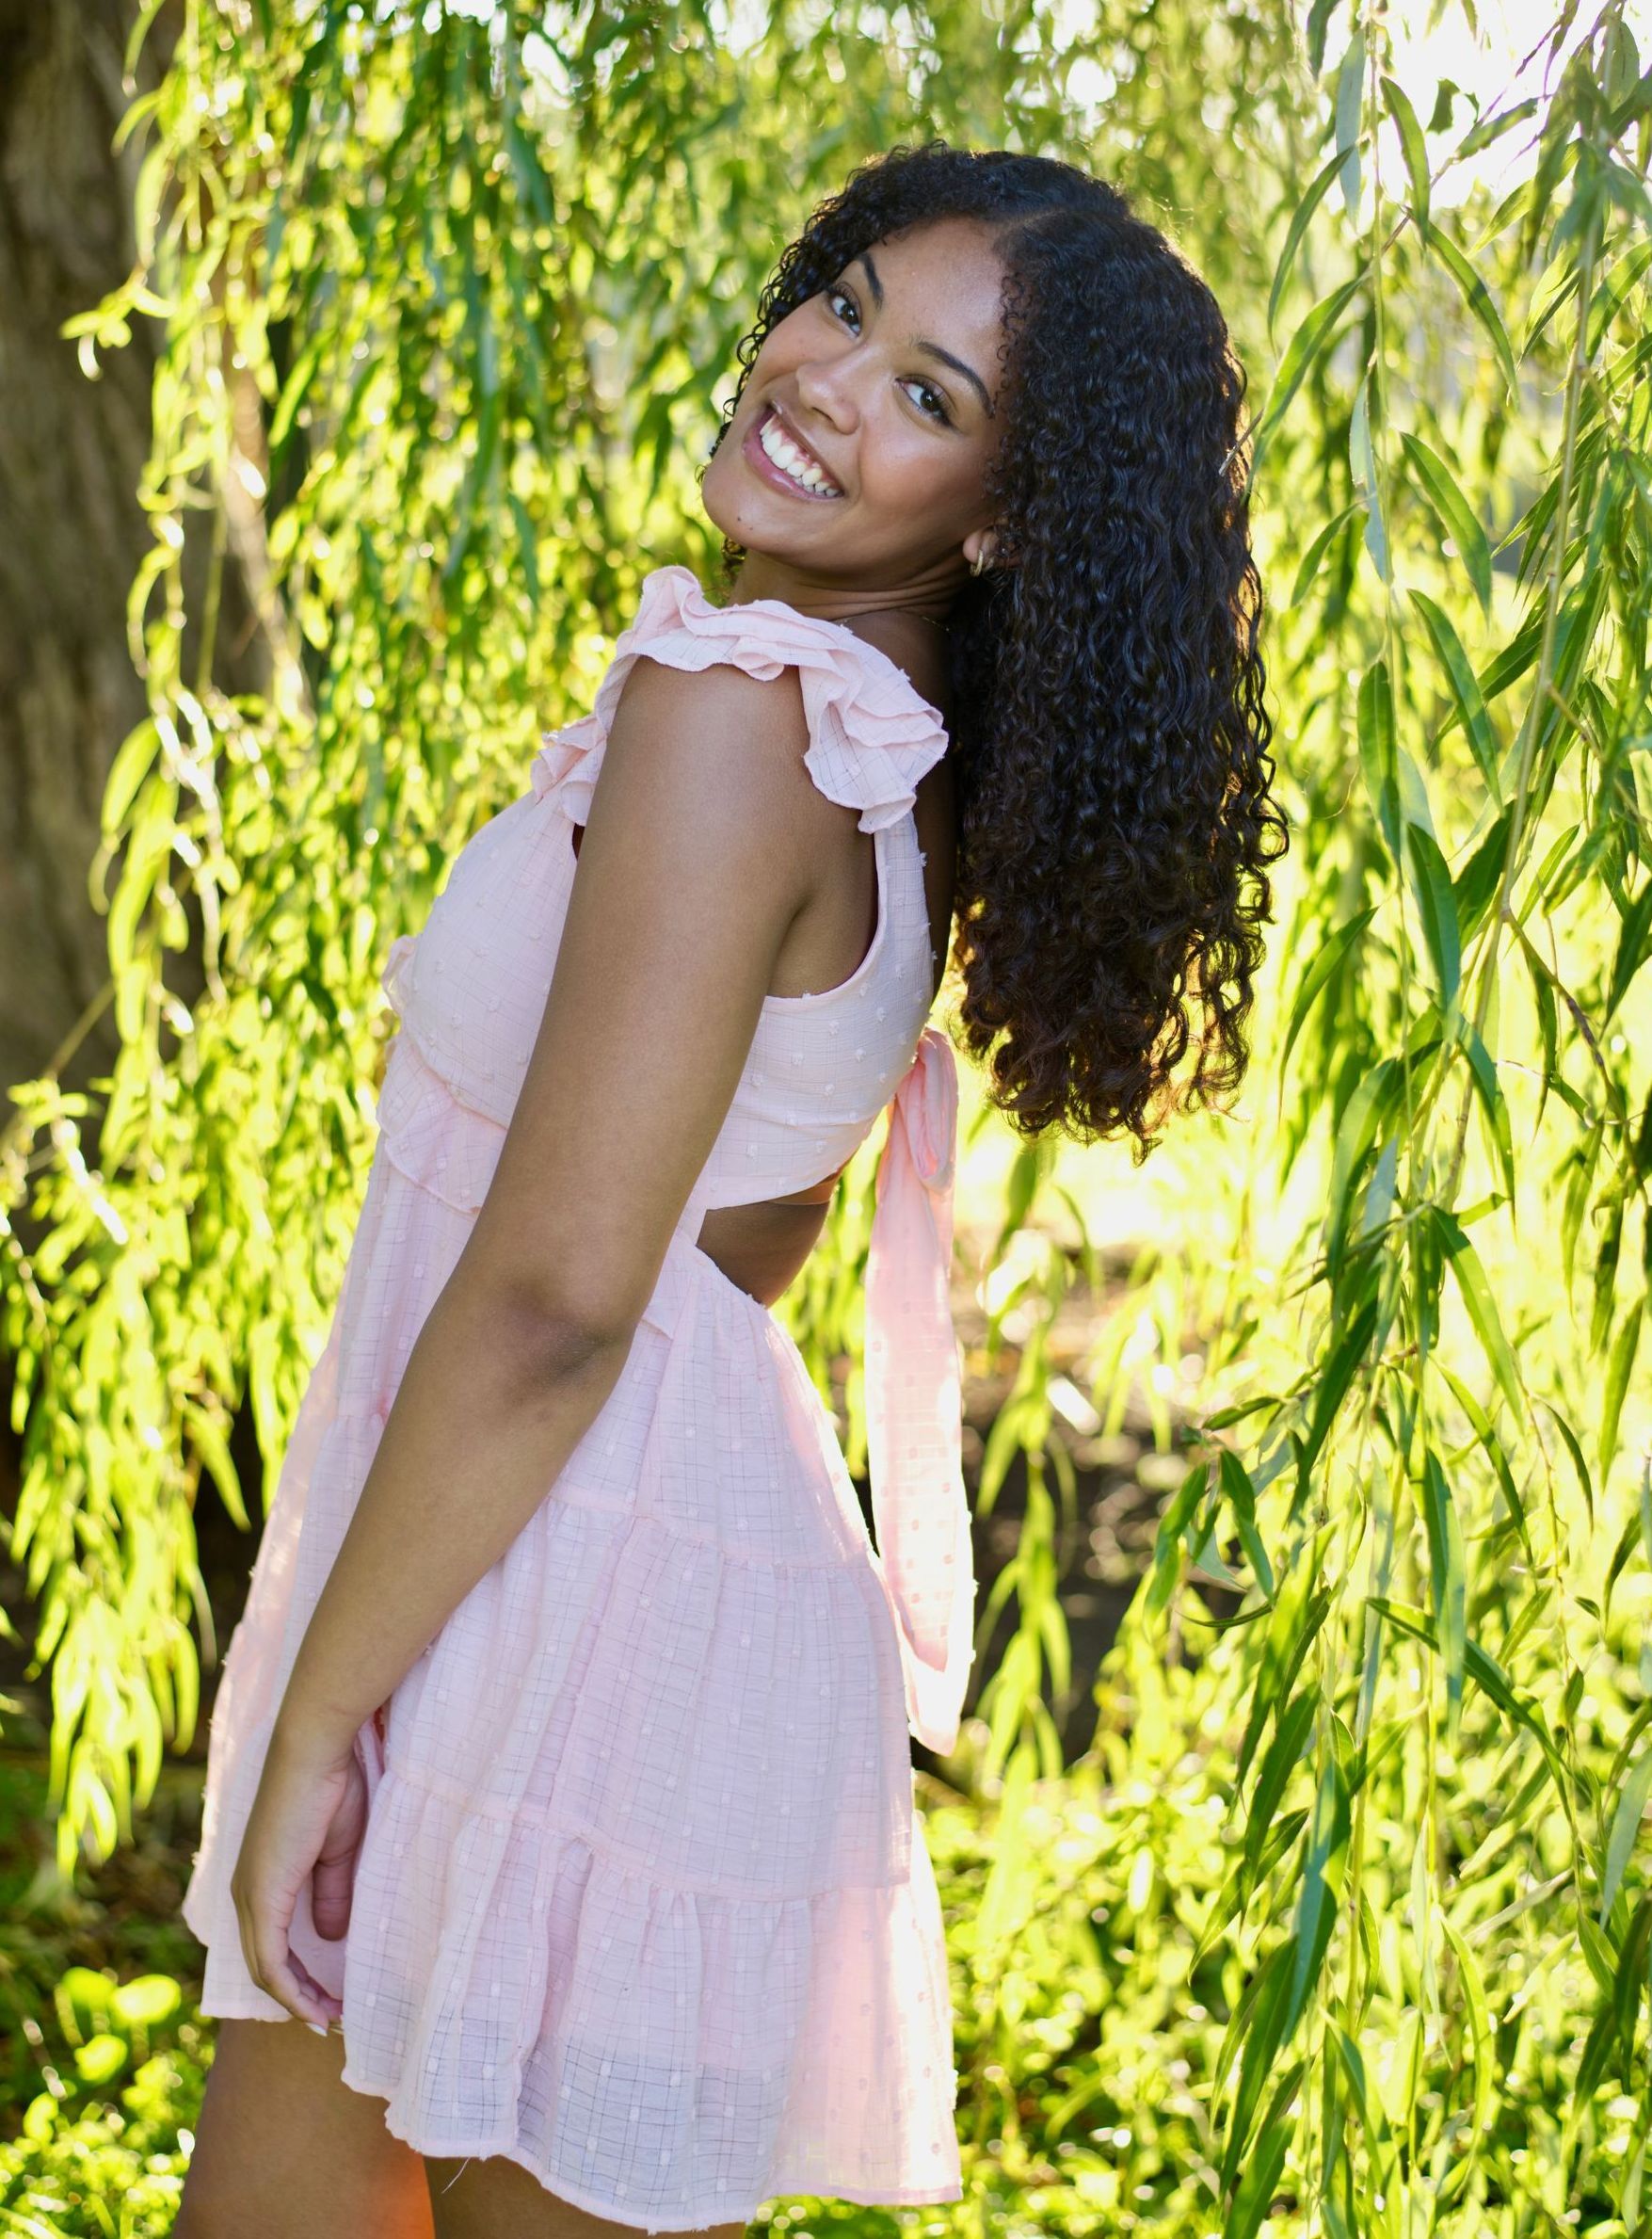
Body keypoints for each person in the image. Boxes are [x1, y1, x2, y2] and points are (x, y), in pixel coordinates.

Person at [175, 140, 1285, 2239]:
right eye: (850, 300)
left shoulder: (748, 715)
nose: (831, 376)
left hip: (551, 1585)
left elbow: (558, 1296)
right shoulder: (873, 736)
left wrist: (322, 1709)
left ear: (999, 517)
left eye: (932, 396)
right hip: (592, 1560)